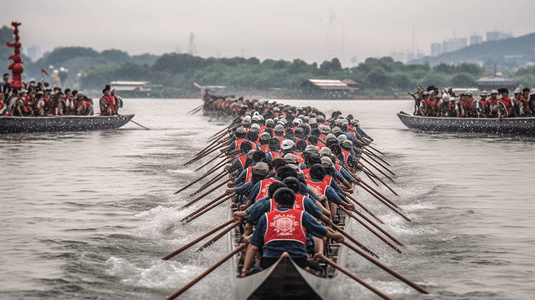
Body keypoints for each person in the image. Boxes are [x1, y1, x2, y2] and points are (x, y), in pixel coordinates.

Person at [240, 188, 344, 277]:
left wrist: (245, 271)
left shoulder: (265, 217)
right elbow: (323, 232)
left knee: (255, 267)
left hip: (270, 260)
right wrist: (336, 236)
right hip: (298, 260)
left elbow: (253, 246)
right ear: (293, 202)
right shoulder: (303, 215)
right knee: (318, 270)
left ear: (276, 203)